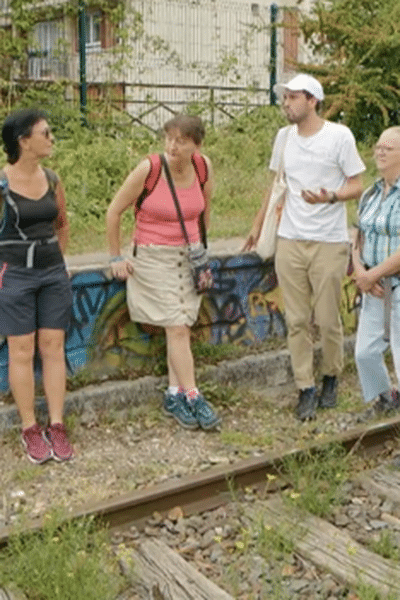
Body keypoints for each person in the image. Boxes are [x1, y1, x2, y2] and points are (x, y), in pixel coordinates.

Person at [243, 74, 365, 420]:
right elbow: (276, 185)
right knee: (296, 319)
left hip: (328, 241)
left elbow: (357, 184)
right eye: (284, 98)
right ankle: (305, 386)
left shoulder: (339, 136)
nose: (286, 104)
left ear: (312, 100)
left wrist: (330, 197)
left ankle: (330, 375)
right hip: (290, 239)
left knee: (327, 319)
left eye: (292, 98)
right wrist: (257, 225)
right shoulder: (283, 138)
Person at [106, 114, 220, 430]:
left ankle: (174, 394)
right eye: (169, 138)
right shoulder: (150, 168)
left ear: (197, 145)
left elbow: (205, 209)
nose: (172, 145)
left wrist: (200, 248)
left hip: (189, 258)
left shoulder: (202, 167)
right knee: (178, 326)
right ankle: (195, 395)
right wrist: (115, 257)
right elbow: (114, 212)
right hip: (154, 258)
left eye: (181, 141)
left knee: (179, 325)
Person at [0, 108, 73, 463]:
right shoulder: (1, 184)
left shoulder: (53, 179)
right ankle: (30, 428)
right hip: (15, 275)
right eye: (45, 133)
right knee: (22, 351)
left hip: (52, 274)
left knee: (53, 346)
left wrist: (58, 262)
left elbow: (62, 223)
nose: (51, 138)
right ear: (23, 140)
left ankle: (56, 425)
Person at [353, 126, 400, 415]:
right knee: (365, 354)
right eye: (378, 146)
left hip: (395, 285)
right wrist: (362, 273)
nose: (380, 152)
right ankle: (387, 399)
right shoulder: (370, 193)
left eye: (388, 148)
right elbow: (358, 237)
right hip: (374, 288)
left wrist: (374, 273)